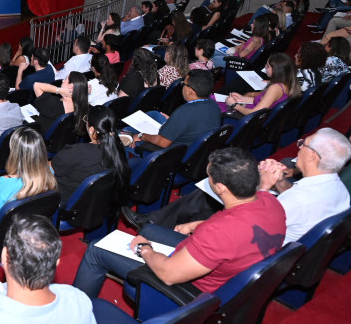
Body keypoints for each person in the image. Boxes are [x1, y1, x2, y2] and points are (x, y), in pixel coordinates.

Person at [74, 147, 286, 299]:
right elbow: (237, 225)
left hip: (189, 286)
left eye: (210, 177)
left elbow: (168, 274)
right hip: (220, 261)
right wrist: (195, 225)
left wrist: (144, 248)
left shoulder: (219, 232)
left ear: (221, 188)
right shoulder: (270, 202)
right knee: (148, 228)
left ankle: (75, 309)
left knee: (96, 250)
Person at [123, 128, 351, 246]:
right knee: (207, 194)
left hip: (254, 244)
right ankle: (155, 220)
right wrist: (280, 180)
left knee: (218, 190)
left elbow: (246, 221)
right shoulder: (339, 190)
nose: (299, 147)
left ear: (312, 156)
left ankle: (152, 225)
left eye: (304, 144)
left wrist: (263, 186)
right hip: (274, 238)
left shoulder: (298, 202)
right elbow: (292, 198)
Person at [0, 128, 57, 229]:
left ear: (14, 154)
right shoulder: (49, 173)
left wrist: (0, 185)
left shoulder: (5, 184)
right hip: (24, 226)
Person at [52, 106, 129, 205]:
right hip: (94, 203)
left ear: (92, 129)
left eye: (86, 120)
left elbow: (47, 168)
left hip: (67, 201)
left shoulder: (76, 152)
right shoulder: (119, 149)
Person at [131, 69, 220, 151]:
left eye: (183, 84)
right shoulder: (214, 105)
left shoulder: (184, 111)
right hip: (195, 147)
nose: (182, 87)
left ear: (190, 90)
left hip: (170, 154)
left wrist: (141, 136)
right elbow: (197, 122)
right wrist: (173, 120)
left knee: (128, 139)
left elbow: (163, 143)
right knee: (154, 114)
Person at [223, 53, 299, 116]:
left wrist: (234, 105)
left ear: (277, 71)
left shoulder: (275, 88)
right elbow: (263, 101)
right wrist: (242, 98)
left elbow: (254, 113)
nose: (265, 67)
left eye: (268, 66)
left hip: (247, 118)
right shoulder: (286, 84)